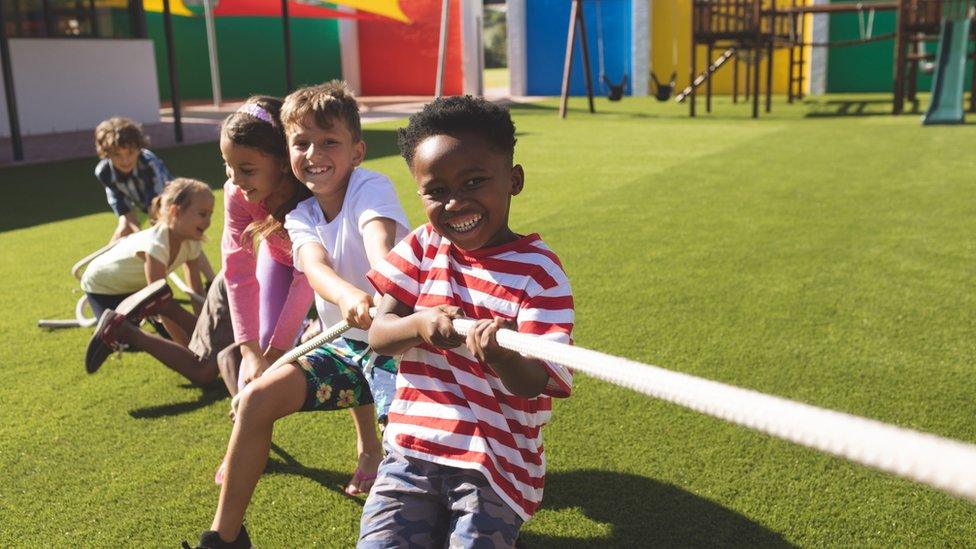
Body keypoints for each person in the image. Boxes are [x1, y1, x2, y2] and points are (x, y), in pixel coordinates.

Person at [186, 81, 410, 549]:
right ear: (287, 152)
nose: (314, 153)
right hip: (349, 347)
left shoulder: (371, 186)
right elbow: (314, 267)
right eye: (301, 143)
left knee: (406, 446)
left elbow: (380, 243)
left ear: (358, 151)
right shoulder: (301, 213)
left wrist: (377, 289)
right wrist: (347, 298)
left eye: (329, 142)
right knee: (254, 400)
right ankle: (223, 539)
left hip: (400, 349)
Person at [360, 96, 575, 548]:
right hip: (411, 449)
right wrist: (419, 324)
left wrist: (500, 355)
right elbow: (380, 336)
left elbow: (533, 382)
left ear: (513, 180)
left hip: (494, 462)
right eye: (436, 190)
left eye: (475, 181)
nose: (456, 202)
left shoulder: (540, 273)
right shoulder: (422, 246)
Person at [83, 178, 216, 373]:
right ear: (175, 211)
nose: (208, 222)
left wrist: (203, 335)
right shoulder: (156, 245)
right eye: (202, 214)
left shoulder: (192, 242)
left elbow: (195, 292)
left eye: (210, 215)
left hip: (138, 289)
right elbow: (161, 304)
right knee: (124, 339)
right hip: (104, 287)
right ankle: (126, 330)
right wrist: (191, 352)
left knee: (168, 329)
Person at [94, 117, 174, 242]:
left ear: (139, 149)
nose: (125, 161)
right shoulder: (104, 172)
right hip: (137, 202)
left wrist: (153, 238)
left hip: (166, 201)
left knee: (168, 236)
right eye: (117, 155)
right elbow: (122, 207)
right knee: (123, 230)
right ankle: (109, 259)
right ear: (107, 153)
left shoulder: (148, 164)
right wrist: (136, 233)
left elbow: (154, 205)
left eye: (130, 153)